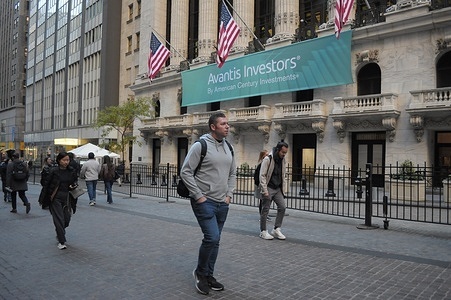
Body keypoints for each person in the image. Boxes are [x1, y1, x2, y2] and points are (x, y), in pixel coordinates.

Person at [180, 112, 236, 295]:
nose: (227, 126)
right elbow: (186, 171)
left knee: (216, 240)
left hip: (222, 202)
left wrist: (229, 195)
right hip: (205, 201)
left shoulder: (229, 147)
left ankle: (209, 275)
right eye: (223, 124)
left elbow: (232, 173)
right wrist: (198, 196)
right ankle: (200, 273)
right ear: (213, 127)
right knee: (211, 237)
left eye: (227, 123)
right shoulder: (200, 145)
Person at [41, 152, 79, 250]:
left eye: (67, 160)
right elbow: (46, 185)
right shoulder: (54, 171)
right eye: (64, 160)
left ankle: (60, 231)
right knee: (59, 219)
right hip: (55, 198)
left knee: (67, 219)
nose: (66, 162)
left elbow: (74, 182)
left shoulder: (71, 171)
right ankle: (61, 241)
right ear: (59, 160)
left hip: (67, 198)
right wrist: (44, 198)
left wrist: (73, 185)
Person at [258, 141, 289, 240]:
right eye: (283, 152)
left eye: (285, 153)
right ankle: (263, 231)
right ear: (278, 150)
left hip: (278, 188)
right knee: (265, 210)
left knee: (282, 207)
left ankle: (276, 229)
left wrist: (283, 188)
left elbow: (283, 173)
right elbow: (262, 175)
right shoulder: (268, 159)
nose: (284, 155)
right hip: (269, 187)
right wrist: (264, 190)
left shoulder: (283, 160)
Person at [254, 150, 271, 222]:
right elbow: (257, 176)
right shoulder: (261, 164)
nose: (267, 156)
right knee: (262, 201)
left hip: (264, 185)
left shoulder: (265, 163)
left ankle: (265, 215)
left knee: (265, 201)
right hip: (260, 185)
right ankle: (262, 215)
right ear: (262, 156)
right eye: (266, 155)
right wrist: (259, 185)